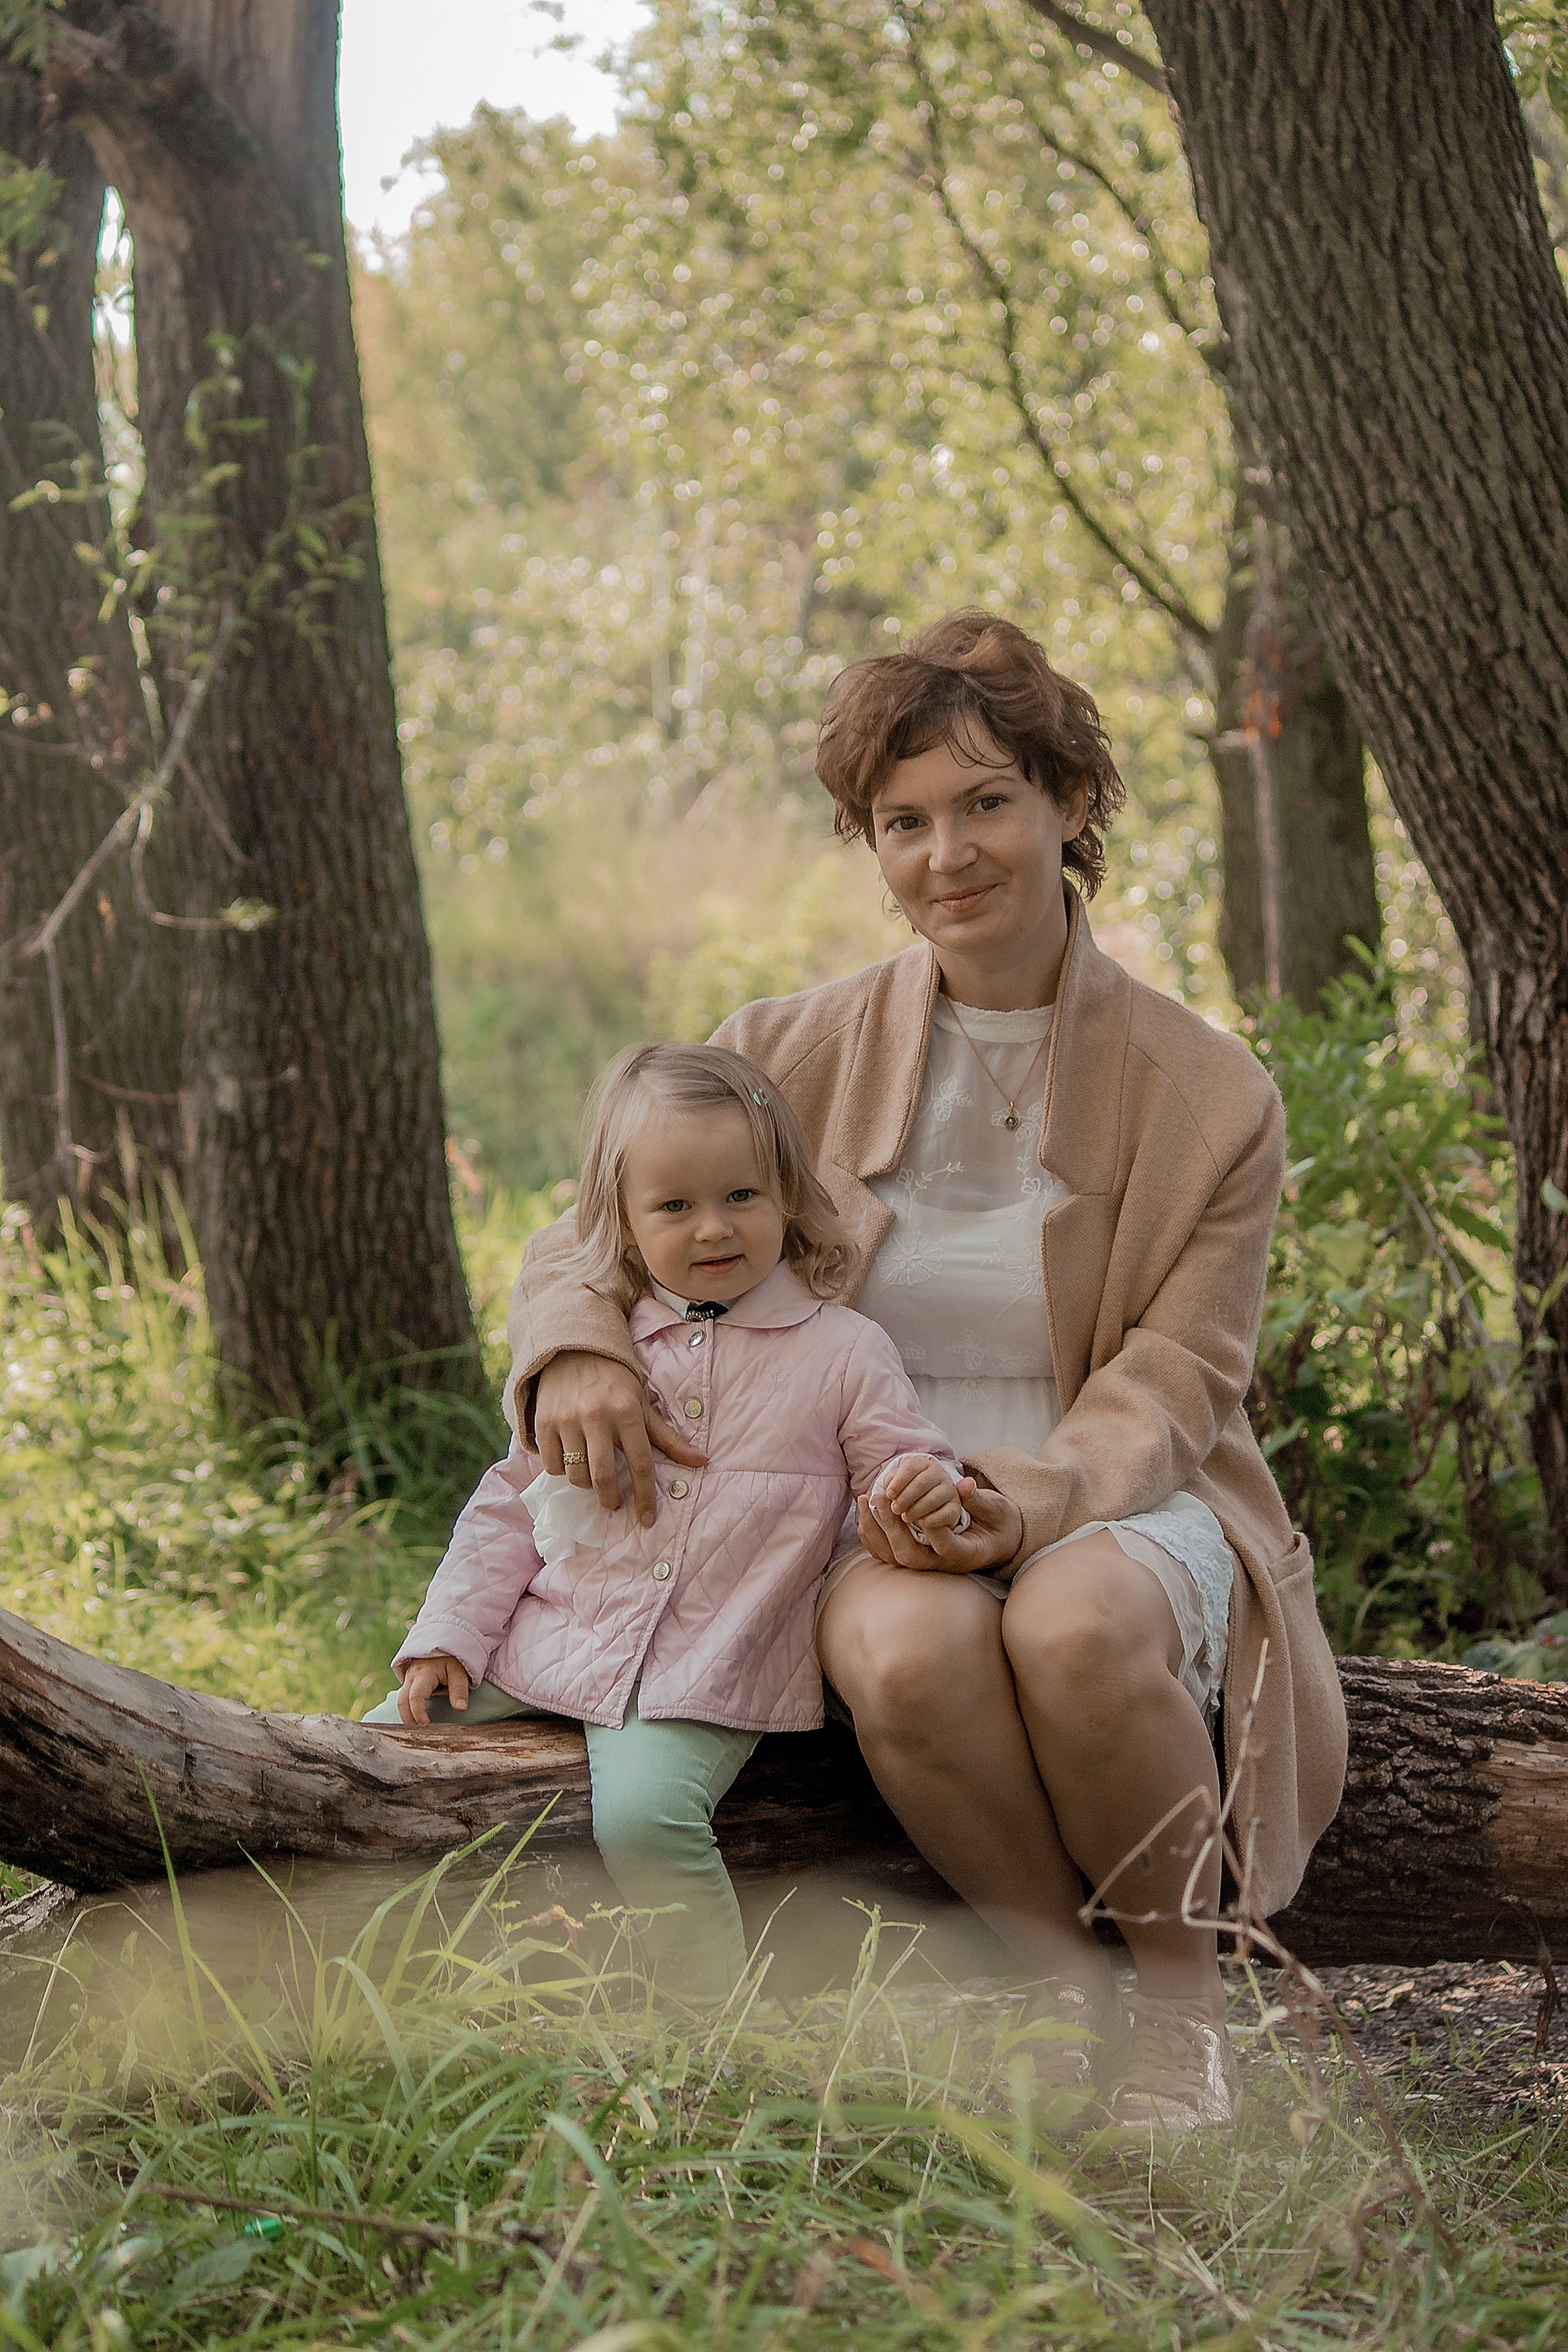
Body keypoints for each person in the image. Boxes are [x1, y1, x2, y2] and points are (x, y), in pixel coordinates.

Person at [508, 612, 1348, 2134]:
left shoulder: (1212, 1091)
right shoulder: (786, 1048)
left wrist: (1034, 1498)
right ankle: (1049, 1987)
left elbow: (1182, 1372)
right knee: (899, 1651)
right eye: (902, 822)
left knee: (1080, 1629)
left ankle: (1181, 2014)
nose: (944, 855)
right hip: (871, 1491)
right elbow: (593, 1231)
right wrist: (574, 1351)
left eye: (983, 804)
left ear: (1067, 806)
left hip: (1116, 1484)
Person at [366, 1040, 976, 2001]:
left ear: (785, 1193)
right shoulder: (602, 1355)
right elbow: (506, 1507)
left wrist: (922, 1488)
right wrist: (448, 1639)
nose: (713, 1230)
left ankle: (713, 2042)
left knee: (644, 1822)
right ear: (621, 1220)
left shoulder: (843, 1350)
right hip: (557, 1634)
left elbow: (900, 1462)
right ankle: (367, 1984)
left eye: (740, 1196)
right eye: (675, 1207)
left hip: (708, 1664)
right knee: (374, 1751)